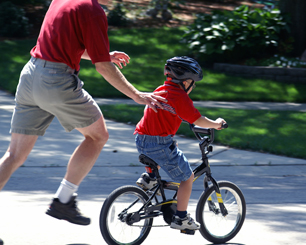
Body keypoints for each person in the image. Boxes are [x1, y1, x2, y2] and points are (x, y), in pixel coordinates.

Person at [0, 0, 166, 227]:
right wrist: (137, 95)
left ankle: (64, 201)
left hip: (30, 74)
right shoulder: (92, 10)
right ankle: (64, 200)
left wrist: (103, 53)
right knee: (98, 136)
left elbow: (66, 42)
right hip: (56, 81)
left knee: (14, 154)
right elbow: (104, 67)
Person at [134, 56, 226, 230]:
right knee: (187, 177)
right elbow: (198, 119)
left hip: (141, 138)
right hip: (159, 143)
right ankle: (181, 218)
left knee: (170, 146)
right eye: (193, 82)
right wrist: (217, 124)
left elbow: (168, 113)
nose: (193, 86)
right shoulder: (180, 96)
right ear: (185, 82)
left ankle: (150, 178)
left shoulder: (162, 89)